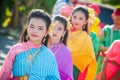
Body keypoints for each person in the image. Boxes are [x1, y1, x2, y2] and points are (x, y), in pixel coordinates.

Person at [0, 9, 60, 80]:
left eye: (40, 28)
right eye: (32, 26)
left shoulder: (49, 56)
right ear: (27, 27)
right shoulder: (16, 49)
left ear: (46, 31)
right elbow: (5, 73)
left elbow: (54, 78)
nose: (35, 31)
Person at [67, 6, 97, 80]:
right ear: (71, 17)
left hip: (73, 71)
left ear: (86, 21)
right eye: (75, 17)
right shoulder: (64, 32)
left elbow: (87, 63)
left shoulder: (86, 39)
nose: (76, 20)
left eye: (80, 18)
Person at [48, 15, 73, 80]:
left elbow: (67, 76)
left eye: (59, 29)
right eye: (53, 27)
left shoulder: (66, 52)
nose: (55, 31)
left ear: (64, 33)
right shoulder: (40, 45)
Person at [97, 8, 120, 76]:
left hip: (115, 65)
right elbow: (99, 45)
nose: (118, 17)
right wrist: (110, 50)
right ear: (112, 16)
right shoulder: (106, 29)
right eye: (117, 15)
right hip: (102, 61)